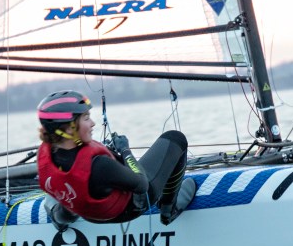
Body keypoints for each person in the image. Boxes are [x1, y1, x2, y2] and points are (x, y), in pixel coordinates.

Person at [36, 90, 196, 226]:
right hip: (128, 209)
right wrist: (124, 149)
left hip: (86, 212)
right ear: (69, 129)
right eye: (86, 118)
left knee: (68, 187)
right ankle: (169, 210)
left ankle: (60, 219)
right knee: (176, 138)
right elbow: (142, 184)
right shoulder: (100, 166)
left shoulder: (47, 154)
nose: (92, 123)